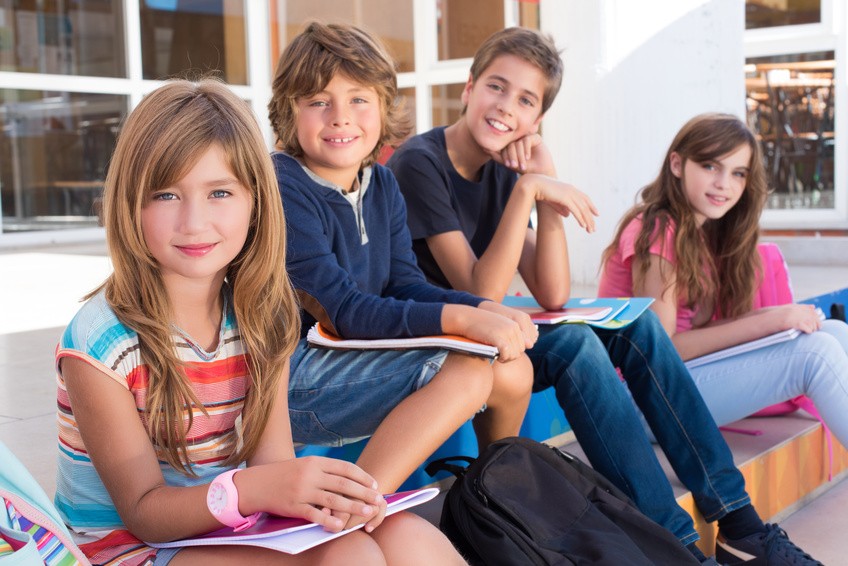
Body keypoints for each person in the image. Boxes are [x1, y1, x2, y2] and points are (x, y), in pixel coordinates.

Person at [388, 27, 823, 566]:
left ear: (537, 119)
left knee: (638, 324)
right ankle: (679, 548)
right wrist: (531, 190)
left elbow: (551, 290)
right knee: (574, 347)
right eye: (496, 87)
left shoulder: (503, 169)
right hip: (434, 338)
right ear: (470, 86)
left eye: (525, 100)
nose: (506, 108)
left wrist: (543, 188)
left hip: (489, 334)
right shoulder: (420, 163)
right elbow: (478, 292)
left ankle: (738, 522)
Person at [53, 79, 467, 566]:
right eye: (165, 195)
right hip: (133, 547)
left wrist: (310, 494)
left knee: (400, 535)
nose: (193, 221)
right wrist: (254, 489)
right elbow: (144, 513)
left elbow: (273, 464)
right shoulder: (99, 343)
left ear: (256, 202)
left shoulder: (262, 318)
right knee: (348, 557)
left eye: (220, 192)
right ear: (129, 203)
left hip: (227, 524)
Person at [267, 22, 536, 503]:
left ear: (384, 106)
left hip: (348, 359)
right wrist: (464, 318)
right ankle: (348, 509)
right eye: (318, 101)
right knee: (469, 371)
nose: (339, 117)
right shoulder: (283, 187)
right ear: (290, 110)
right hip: (291, 381)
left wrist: (486, 309)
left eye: (358, 99)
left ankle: (493, 502)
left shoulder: (382, 183)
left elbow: (403, 283)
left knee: (515, 370)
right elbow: (345, 311)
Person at [600, 113, 848, 453]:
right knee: (816, 355)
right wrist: (770, 322)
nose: (724, 184)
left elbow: (694, 335)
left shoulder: (699, 234)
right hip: (635, 399)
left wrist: (776, 317)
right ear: (677, 164)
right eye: (710, 167)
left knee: (833, 332)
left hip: (670, 383)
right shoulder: (656, 229)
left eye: (738, 173)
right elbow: (659, 350)